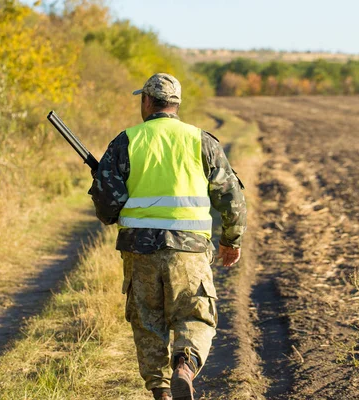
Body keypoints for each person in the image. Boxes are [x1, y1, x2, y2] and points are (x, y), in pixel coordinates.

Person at [89, 73, 247, 400]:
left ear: (147, 101)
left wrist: (110, 209)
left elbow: (107, 205)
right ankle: (185, 366)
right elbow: (231, 197)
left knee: (148, 326)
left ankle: (160, 392)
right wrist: (231, 240)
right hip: (190, 252)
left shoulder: (126, 141)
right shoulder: (201, 141)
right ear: (176, 104)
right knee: (196, 315)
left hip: (139, 251)